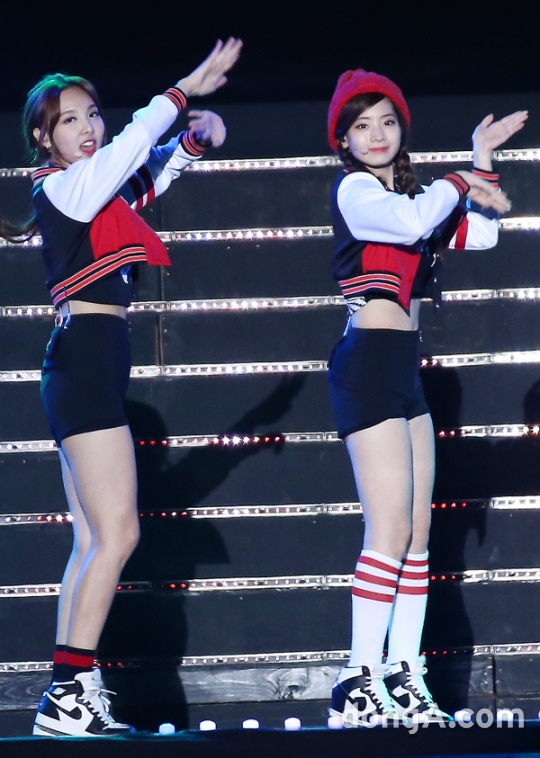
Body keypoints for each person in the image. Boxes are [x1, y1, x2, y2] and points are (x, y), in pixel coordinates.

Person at [2, 38, 243, 737]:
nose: (87, 127)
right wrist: (183, 89)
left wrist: (193, 143)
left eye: (91, 115)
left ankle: (73, 692)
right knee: (118, 534)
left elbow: (146, 175)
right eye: (70, 120)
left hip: (90, 363)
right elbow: (133, 148)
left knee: (90, 542)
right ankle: (65, 692)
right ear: (43, 137)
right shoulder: (61, 188)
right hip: (84, 362)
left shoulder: (91, 193)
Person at [326, 69, 526, 727]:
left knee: (416, 534)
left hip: (404, 368)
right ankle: (358, 681)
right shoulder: (357, 191)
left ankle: (404, 676)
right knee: (387, 530)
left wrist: (481, 161)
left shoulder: (412, 199)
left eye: (386, 121)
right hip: (368, 365)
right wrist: (463, 178)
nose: (376, 135)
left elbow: (484, 233)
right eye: (361, 126)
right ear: (344, 140)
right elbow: (414, 219)